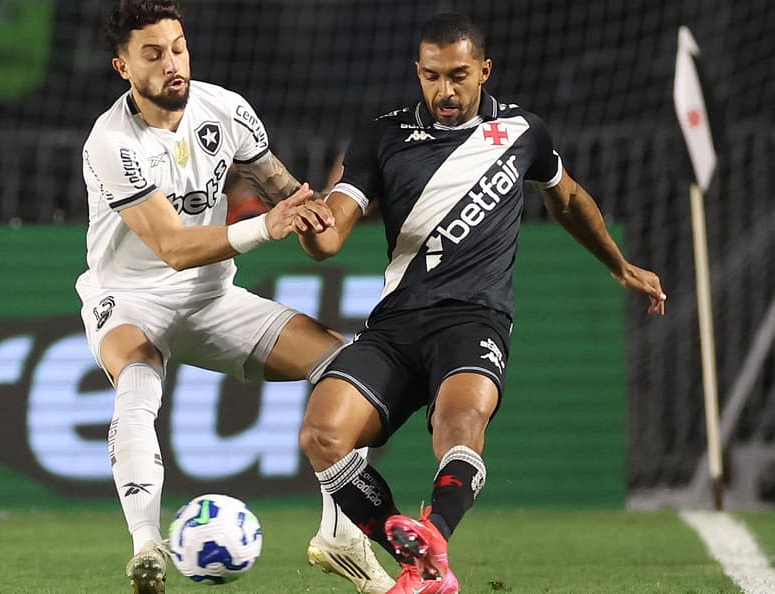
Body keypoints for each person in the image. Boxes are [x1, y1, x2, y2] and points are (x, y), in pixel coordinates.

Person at [295, 13, 667, 594]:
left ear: (484, 70)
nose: (445, 91)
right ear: (416, 73)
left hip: (474, 320)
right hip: (396, 325)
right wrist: (311, 222)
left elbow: (567, 201)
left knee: (459, 421)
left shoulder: (523, 131)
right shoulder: (383, 136)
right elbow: (331, 236)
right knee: (321, 433)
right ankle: (422, 568)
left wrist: (618, 264)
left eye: (459, 76)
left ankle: (434, 534)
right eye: (432, 76)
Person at [78, 2, 393, 593]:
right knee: (138, 379)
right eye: (153, 53)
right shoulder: (111, 142)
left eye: (178, 47)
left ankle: (340, 536)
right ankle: (147, 545)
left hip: (211, 299)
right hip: (129, 299)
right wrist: (263, 228)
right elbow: (172, 246)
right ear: (122, 66)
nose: (172, 63)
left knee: (350, 369)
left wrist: (349, 192)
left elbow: (295, 205)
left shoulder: (226, 110)